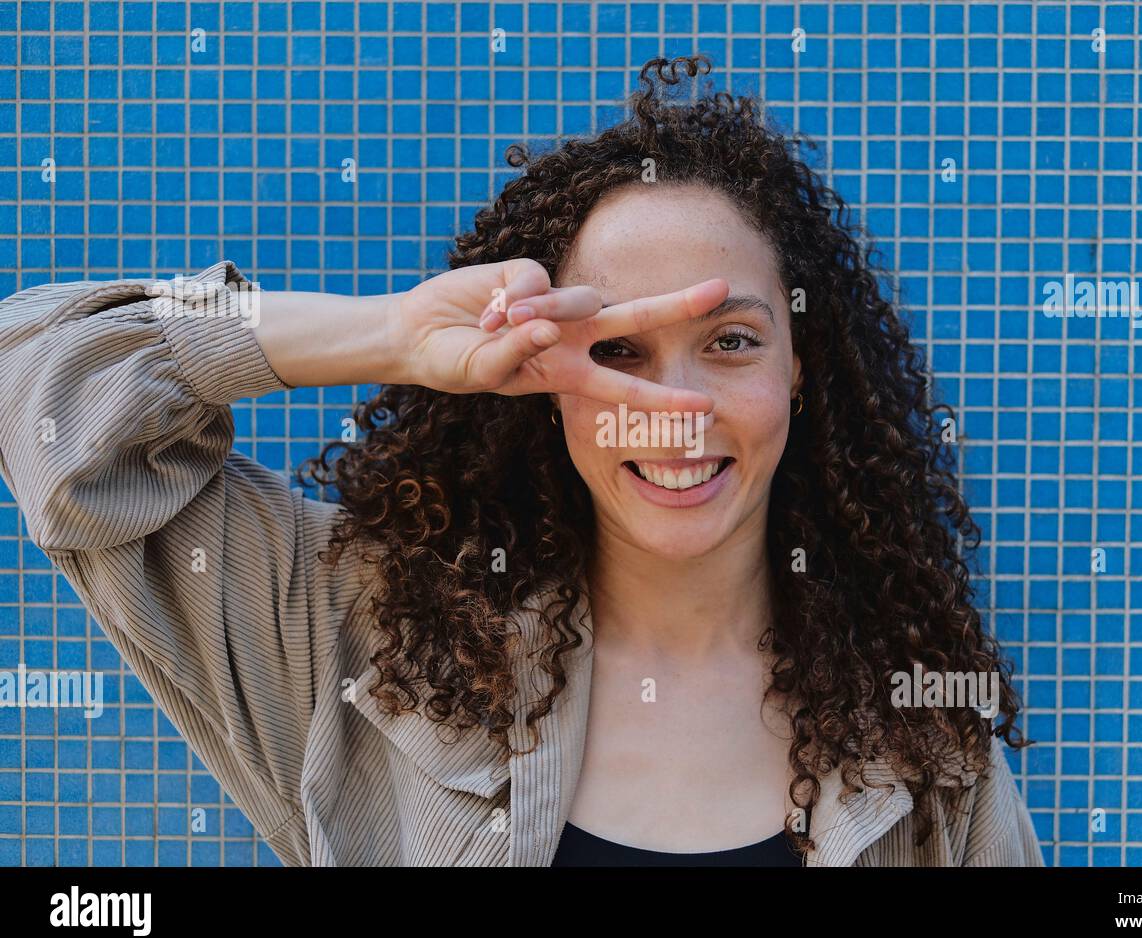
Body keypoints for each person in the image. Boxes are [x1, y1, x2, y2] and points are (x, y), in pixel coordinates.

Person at [0, 55, 1043, 866]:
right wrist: (392, 334)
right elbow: (39, 384)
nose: (674, 407)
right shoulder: (364, 646)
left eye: (730, 341)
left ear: (802, 369)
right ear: (538, 383)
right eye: (614, 352)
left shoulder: (925, 751)